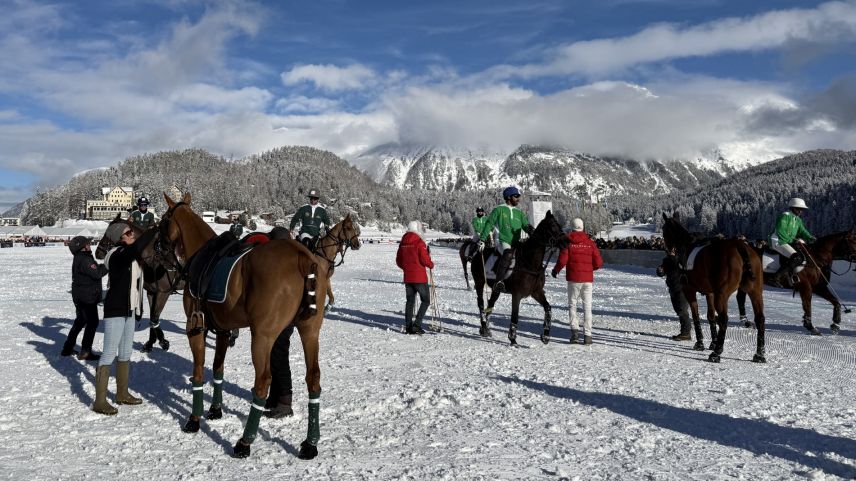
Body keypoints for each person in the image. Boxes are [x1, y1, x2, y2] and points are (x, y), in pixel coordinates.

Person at [92, 222, 156, 415]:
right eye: (129, 232)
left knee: (125, 352)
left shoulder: (132, 256)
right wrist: (152, 230)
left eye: (131, 232)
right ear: (120, 238)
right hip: (115, 309)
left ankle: (122, 393)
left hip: (129, 309)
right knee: (109, 352)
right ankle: (100, 401)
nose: (132, 234)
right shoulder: (116, 255)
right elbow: (135, 248)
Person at [551, 218, 603, 345]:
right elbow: (599, 262)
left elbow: (563, 260)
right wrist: (590, 269)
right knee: (587, 307)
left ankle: (574, 333)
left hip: (573, 279)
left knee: (573, 305)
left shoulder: (568, 242)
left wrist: (556, 270)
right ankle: (588, 335)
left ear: (572, 227)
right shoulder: (590, 243)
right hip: (587, 280)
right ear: (582, 227)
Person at [477, 186, 534, 291]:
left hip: (516, 242)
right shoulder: (499, 209)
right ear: (508, 197)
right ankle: (499, 281)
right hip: (502, 241)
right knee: (508, 253)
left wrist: (532, 231)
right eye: (516, 196)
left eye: (519, 196)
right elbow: (489, 224)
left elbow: (526, 226)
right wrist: (482, 239)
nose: (518, 199)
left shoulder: (519, 213)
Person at [62, 236, 108, 360]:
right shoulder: (85, 259)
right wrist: (108, 265)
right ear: (82, 247)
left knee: (80, 321)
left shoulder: (80, 257)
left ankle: (67, 347)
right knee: (92, 322)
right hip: (87, 297)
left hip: (80, 294)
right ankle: (85, 351)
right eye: (87, 244)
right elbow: (97, 273)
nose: (89, 245)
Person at [396, 220, 434, 334]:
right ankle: (416, 325)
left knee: (410, 302)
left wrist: (406, 268)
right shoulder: (419, 242)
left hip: (408, 277)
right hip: (419, 278)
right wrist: (431, 264)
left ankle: (408, 327)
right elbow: (425, 260)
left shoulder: (403, 242)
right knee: (426, 300)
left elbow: (398, 261)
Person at [768, 197, 815, 287]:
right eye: (799, 209)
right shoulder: (784, 216)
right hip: (778, 241)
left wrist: (810, 237)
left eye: (802, 209)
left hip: (787, 241)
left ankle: (793, 276)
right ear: (793, 208)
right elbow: (781, 232)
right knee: (796, 257)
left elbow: (802, 231)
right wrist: (793, 240)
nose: (801, 211)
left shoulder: (798, 220)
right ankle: (775, 277)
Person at [656, 248, 692, 341]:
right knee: (678, 310)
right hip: (672, 288)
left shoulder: (681, 258)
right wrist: (660, 271)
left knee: (682, 310)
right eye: (668, 251)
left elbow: (678, 266)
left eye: (671, 250)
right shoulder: (666, 260)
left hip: (682, 288)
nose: (669, 252)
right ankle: (684, 332)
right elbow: (662, 273)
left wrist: (673, 257)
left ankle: (686, 333)